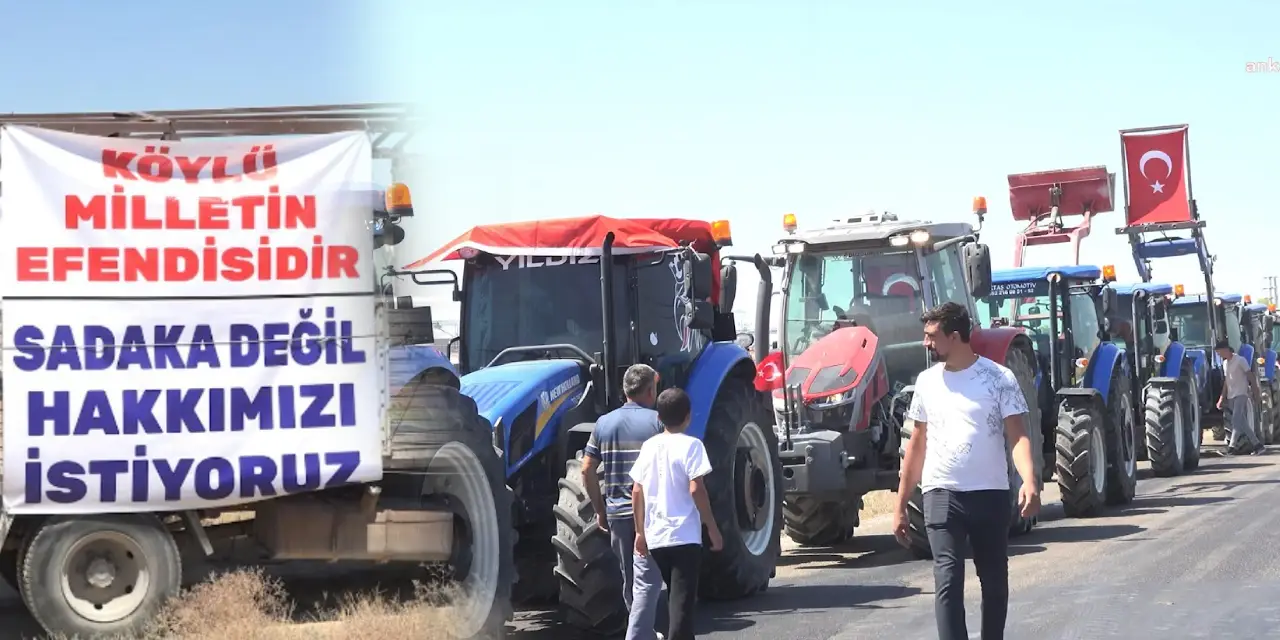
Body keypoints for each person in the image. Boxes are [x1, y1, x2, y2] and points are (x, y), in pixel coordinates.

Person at [892, 302, 1040, 640]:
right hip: (941, 494)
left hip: (989, 493)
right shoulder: (926, 383)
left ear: (955, 336)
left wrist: (1029, 479)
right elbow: (916, 446)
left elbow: (1017, 435)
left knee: (993, 579)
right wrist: (901, 505)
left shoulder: (997, 378)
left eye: (931, 336)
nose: (925, 343)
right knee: (947, 578)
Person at [631, 388, 724, 640]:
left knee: (676, 600)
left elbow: (636, 491)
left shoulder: (649, 447)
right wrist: (712, 528)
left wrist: (640, 533)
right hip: (684, 538)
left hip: (656, 537)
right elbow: (696, 488)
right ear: (688, 416)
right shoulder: (692, 445)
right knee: (682, 611)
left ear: (659, 417)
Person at [581, 364, 665, 640]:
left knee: (630, 578)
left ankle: (641, 630)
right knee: (651, 577)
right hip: (651, 514)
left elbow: (586, 469)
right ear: (650, 390)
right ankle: (642, 634)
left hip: (617, 513)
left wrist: (599, 510)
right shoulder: (657, 422)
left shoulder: (603, 423)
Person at [1215, 339, 1265, 455]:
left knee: (1235, 421)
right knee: (1242, 423)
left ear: (1226, 350)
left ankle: (1231, 448)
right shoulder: (1225, 364)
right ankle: (1258, 445)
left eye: (1219, 352)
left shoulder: (1240, 360)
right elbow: (1227, 382)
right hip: (1231, 395)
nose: (1219, 355)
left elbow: (1250, 377)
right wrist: (1221, 398)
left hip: (1241, 394)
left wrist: (1256, 392)